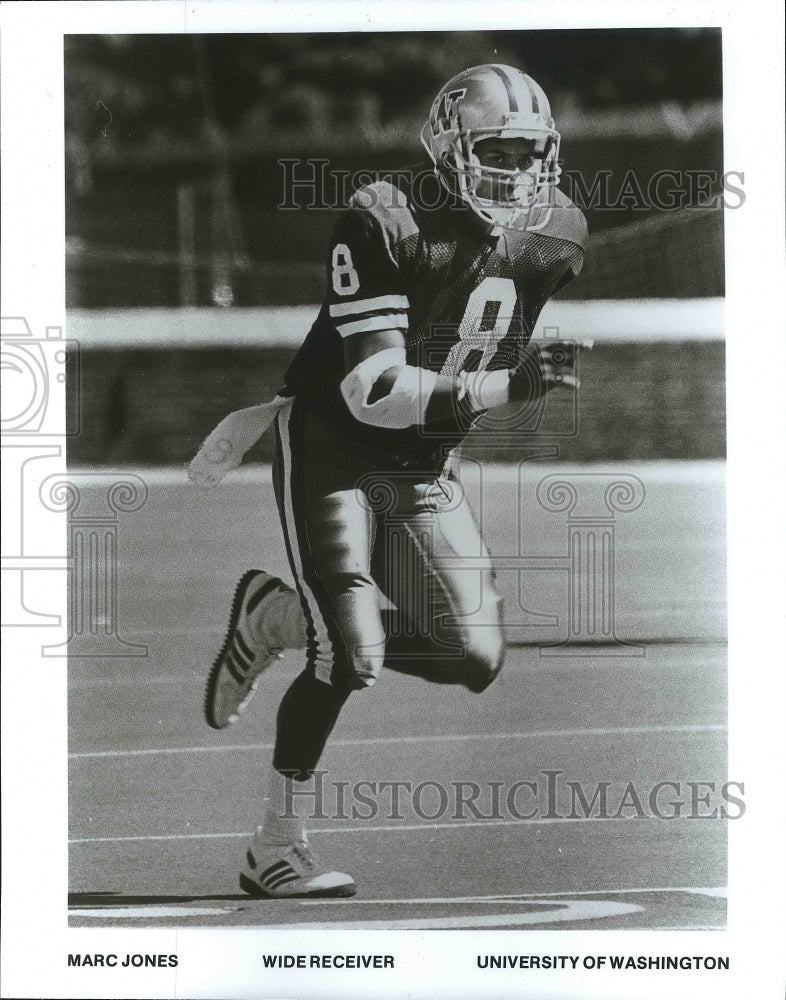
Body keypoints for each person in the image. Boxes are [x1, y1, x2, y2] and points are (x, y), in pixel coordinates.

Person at [191, 63, 587, 898]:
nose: (517, 172)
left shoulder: (558, 233)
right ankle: (275, 846)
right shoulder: (385, 217)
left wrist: (492, 387)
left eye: (530, 154)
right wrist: (507, 387)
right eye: (498, 152)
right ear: (447, 148)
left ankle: (276, 616)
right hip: (338, 445)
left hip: (424, 460)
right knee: (352, 657)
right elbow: (373, 393)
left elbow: (476, 339)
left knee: (473, 653)